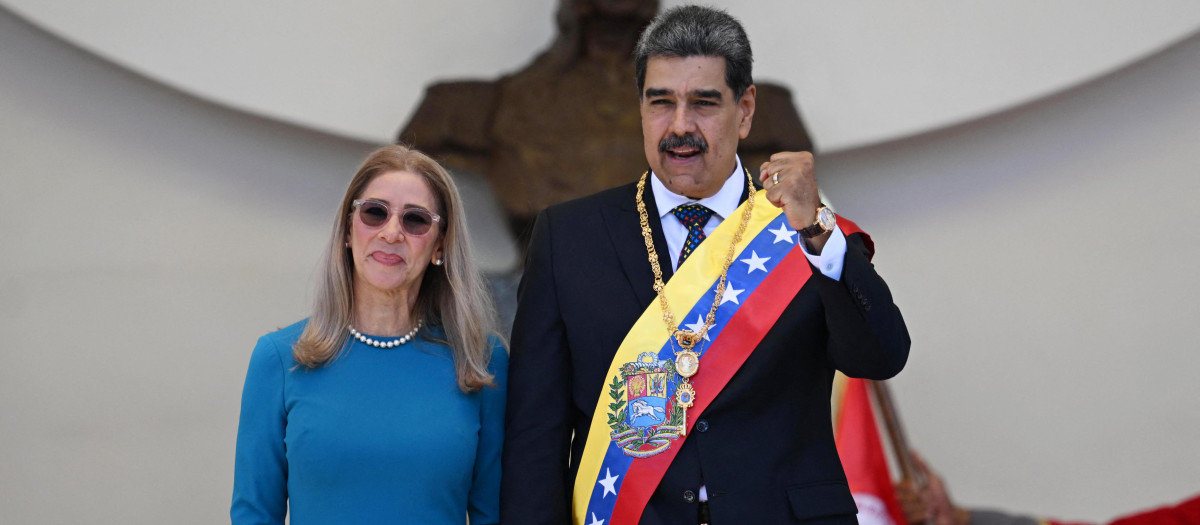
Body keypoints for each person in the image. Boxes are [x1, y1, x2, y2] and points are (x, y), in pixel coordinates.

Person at [501, 5, 910, 525]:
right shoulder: (568, 236)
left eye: (704, 103)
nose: (679, 127)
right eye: (660, 103)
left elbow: (880, 356)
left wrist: (816, 233)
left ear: (745, 111)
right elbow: (536, 433)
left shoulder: (799, 227)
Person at [231, 145, 507, 524]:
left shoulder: (482, 361)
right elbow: (255, 515)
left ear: (440, 244)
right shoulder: (278, 359)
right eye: (374, 213)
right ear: (347, 230)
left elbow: (494, 515)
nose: (391, 233)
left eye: (416, 220)